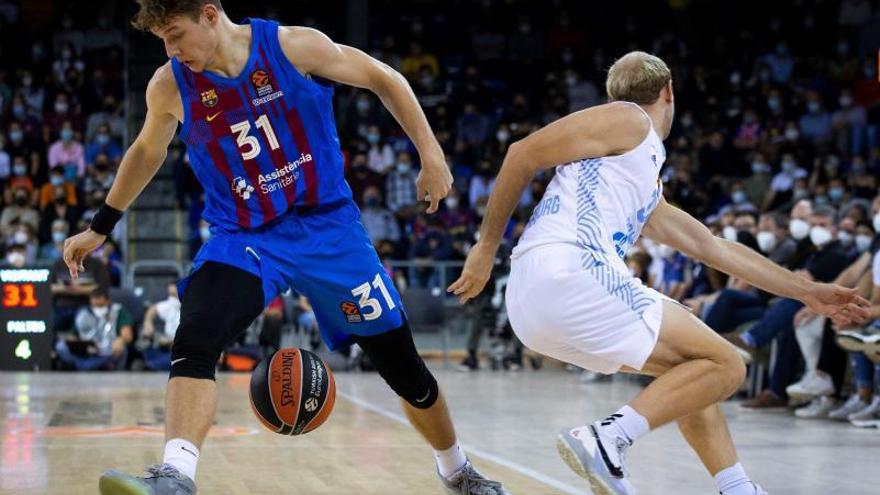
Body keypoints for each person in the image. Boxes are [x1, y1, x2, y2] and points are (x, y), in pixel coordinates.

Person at [62, 2, 507, 495]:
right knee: (197, 333)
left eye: (175, 34)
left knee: (404, 367)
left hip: (327, 229)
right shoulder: (170, 85)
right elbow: (147, 150)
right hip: (246, 237)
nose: (170, 50)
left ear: (210, 15)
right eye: (162, 41)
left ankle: (457, 470)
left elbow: (386, 79)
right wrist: (100, 227)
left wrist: (431, 154)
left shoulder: (294, 46)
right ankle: (175, 476)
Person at [449, 51, 869, 495]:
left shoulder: (636, 175)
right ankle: (606, 439)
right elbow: (522, 152)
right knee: (726, 364)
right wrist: (486, 245)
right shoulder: (630, 120)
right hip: (572, 269)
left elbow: (713, 247)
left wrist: (806, 291)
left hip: (534, 304)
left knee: (694, 372)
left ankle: (737, 488)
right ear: (668, 91)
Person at [55, 288, 133, 371]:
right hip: (87, 351)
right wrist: (76, 345)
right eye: (95, 306)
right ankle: (85, 365)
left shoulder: (118, 311)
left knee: (122, 350)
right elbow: (74, 336)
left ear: (108, 301)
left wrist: (120, 340)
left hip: (107, 350)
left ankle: (88, 367)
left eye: (100, 306)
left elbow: (127, 335)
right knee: (61, 346)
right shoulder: (83, 313)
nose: (98, 309)